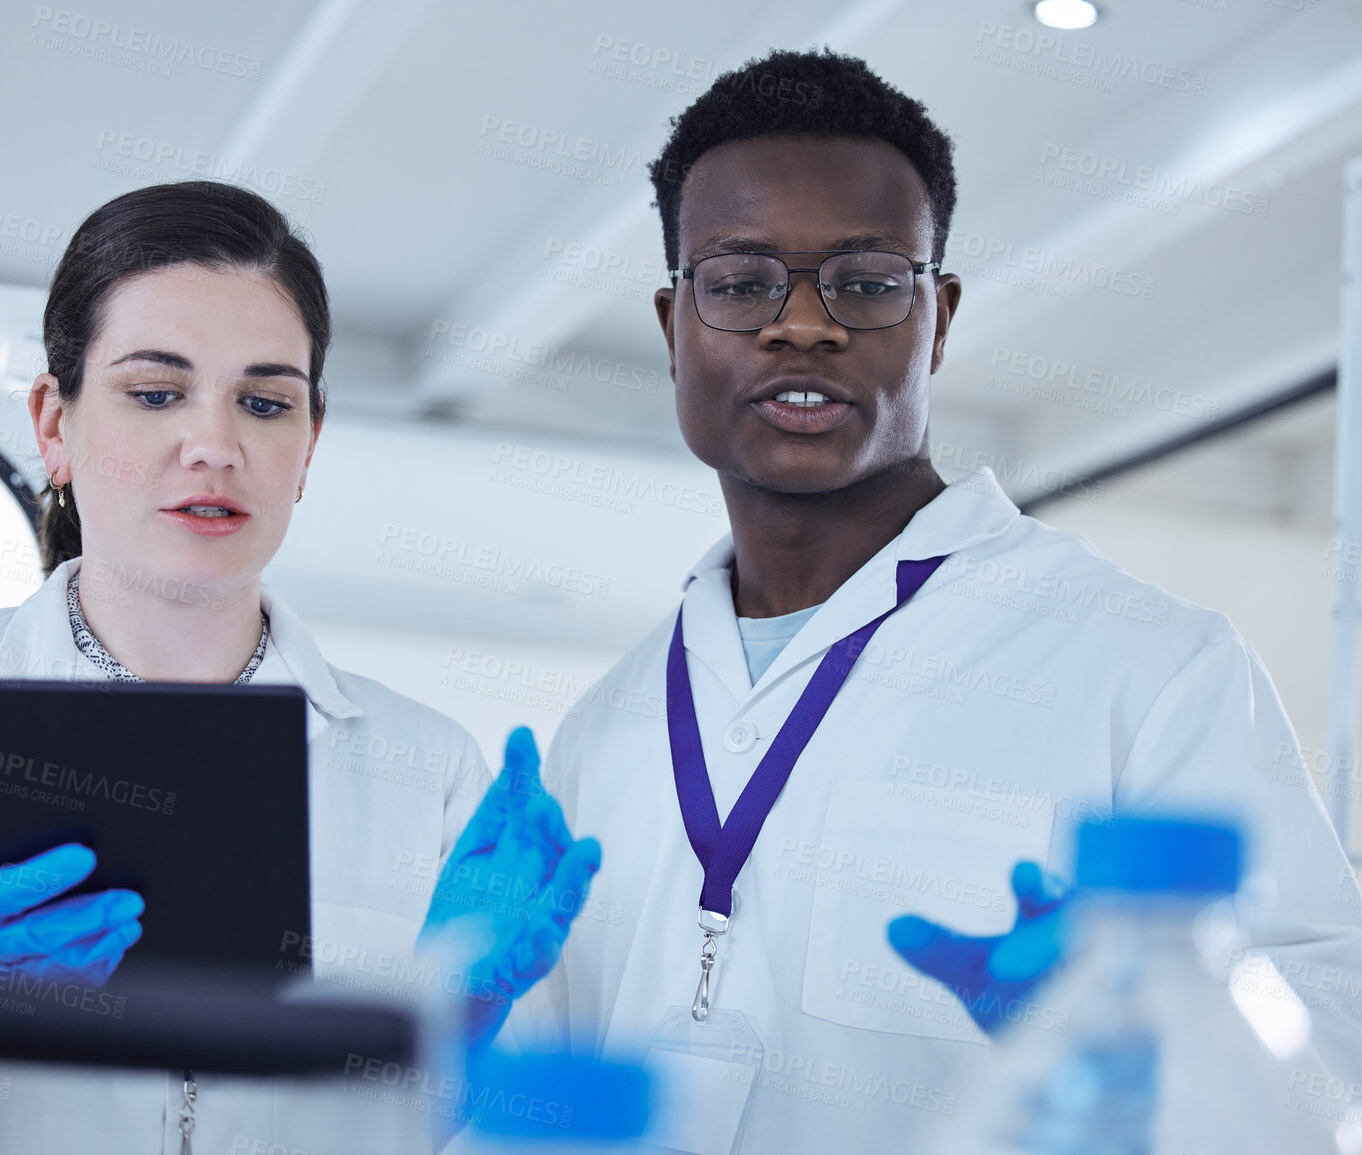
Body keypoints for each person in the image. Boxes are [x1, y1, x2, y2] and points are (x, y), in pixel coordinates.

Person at [497, 49, 1362, 1152]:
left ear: (938, 320)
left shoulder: (1148, 666)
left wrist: (1142, 1048)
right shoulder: (606, 729)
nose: (801, 325)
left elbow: (1333, 1063)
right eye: (739, 280)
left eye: (865, 282)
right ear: (675, 326)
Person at [0, 180, 588, 1155]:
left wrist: (459, 1047)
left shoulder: (429, 769)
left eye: (265, 401)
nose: (215, 444)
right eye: (155, 394)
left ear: (310, 444)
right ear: (53, 424)